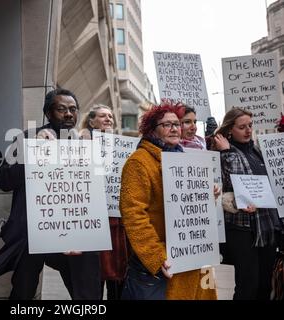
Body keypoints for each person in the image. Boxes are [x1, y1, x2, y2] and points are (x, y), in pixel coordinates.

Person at [0, 88, 101, 300]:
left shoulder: (85, 144)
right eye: (61, 109)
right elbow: (3, 180)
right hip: (33, 232)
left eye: (73, 109)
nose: (69, 114)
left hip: (73, 232)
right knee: (24, 289)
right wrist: (35, 153)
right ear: (48, 113)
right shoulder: (27, 138)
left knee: (85, 291)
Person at [119, 101, 217, 300]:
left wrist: (206, 196)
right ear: (151, 130)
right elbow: (133, 214)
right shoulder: (139, 162)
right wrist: (155, 255)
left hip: (192, 254)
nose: (174, 128)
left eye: (177, 124)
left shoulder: (186, 159)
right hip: (162, 263)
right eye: (167, 124)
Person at [212, 107, 282, 300]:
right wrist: (226, 152)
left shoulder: (257, 151)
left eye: (250, 125)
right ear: (229, 130)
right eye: (242, 127)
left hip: (266, 226)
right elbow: (230, 180)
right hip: (242, 228)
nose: (248, 130)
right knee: (247, 284)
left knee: (265, 284)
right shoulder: (224, 153)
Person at [80, 105, 128, 300]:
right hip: (94, 222)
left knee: (118, 279)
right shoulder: (81, 144)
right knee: (94, 279)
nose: (108, 119)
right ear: (91, 122)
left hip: (117, 223)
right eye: (102, 116)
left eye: (110, 116)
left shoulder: (122, 148)